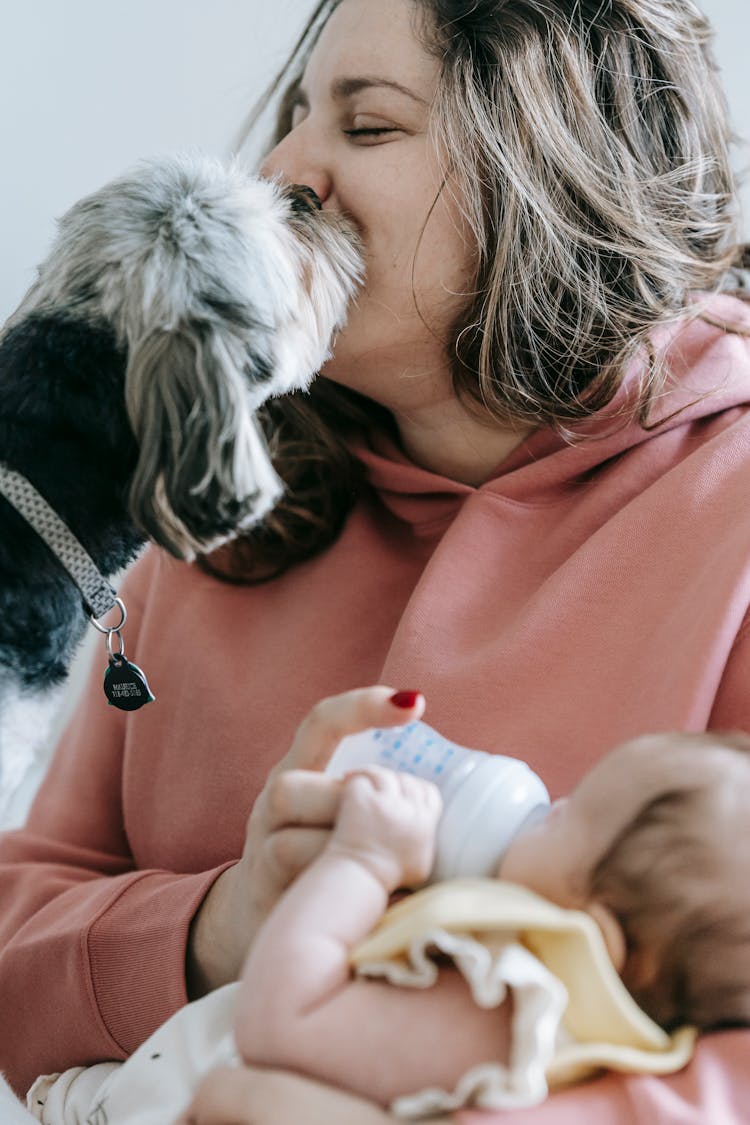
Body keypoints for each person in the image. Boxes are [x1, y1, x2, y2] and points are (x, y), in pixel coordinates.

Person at [1, 0, 750, 1122]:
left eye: (369, 126)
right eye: (299, 113)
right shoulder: (209, 502)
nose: (283, 169)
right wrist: (219, 926)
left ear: (552, 168)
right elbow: (18, 931)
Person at [27, 710, 746, 1124]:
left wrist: (362, 862)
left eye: (570, 816)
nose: (548, 802)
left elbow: (283, 1021)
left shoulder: (504, 995)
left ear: (598, 933)